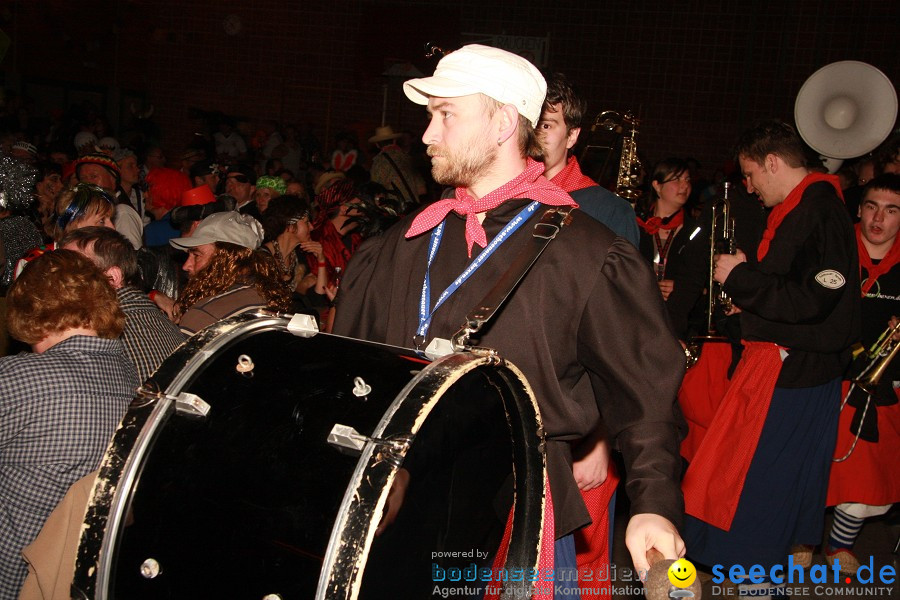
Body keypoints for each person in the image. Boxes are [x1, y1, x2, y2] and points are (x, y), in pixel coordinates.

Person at [332, 44, 686, 593]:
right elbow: (352, 371)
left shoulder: (587, 255)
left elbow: (645, 394)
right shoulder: (400, 246)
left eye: (445, 114)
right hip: (399, 508)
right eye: (431, 116)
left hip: (511, 513)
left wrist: (654, 503)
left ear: (502, 122)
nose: (427, 134)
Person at [682, 120, 860, 592]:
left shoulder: (818, 211)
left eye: (751, 174)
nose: (749, 186)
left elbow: (816, 299)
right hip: (792, 369)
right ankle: (760, 576)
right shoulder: (811, 207)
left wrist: (741, 278)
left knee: (760, 486)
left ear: (773, 163)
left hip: (796, 374)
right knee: (758, 483)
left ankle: (758, 579)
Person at [0, 250, 138, 597]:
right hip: (85, 579)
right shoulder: (131, 380)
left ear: (32, 310)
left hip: (16, 579)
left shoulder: (19, 379)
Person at [817, 173, 900, 576]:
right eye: (870, 206)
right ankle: (802, 536)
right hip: (826, 374)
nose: (877, 218)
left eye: (890, 209)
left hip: (882, 383)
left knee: (870, 481)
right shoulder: (835, 246)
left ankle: (839, 544)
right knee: (812, 465)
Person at [60, 226, 186, 382]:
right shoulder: (150, 314)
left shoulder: (104, 330)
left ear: (113, 277)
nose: (60, 278)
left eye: (73, 270)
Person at [537, 73, 639, 246]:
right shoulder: (504, 197)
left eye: (546, 126)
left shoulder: (610, 211)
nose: (535, 135)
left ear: (572, 136)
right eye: (530, 124)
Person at [167, 211, 291, 334]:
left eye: (196, 255)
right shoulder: (267, 295)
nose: (186, 266)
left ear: (227, 258)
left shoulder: (203, 316)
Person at [636, 158, 709, 340]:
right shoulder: (636, 225)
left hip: (676, 325)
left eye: (687, 180)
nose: (684, 186)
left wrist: (682, 287)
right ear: (657, 186)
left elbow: (700, 278)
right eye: (676, 180)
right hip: (638, 321)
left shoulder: (696, 231)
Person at [369, 125, 426, 207]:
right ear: (394, 141)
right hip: (412, 208)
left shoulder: (378, 162)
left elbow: (376, 193)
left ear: (377, 145)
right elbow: (422, 190)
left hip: (394, 210)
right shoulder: (407, 157)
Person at [142, 167, 192, 247]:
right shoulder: (188, 223)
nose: (144, 195)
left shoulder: (154, 230)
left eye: (149, 190)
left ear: (162, 193)